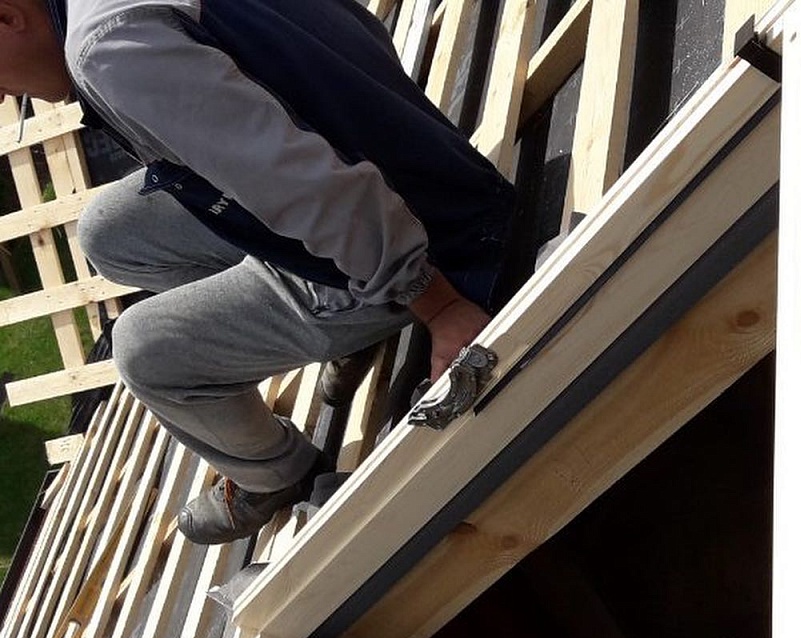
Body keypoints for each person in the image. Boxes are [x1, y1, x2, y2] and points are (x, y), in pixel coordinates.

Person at [0, 0, 515, 543]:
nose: (4, 97)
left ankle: (275, 473)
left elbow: (304, 183)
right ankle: (335, 320)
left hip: (431, 233)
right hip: (404, 159)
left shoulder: (107, 50)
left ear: (7, 17)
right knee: (108, 233)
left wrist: (435, 299)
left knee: (141, 353)